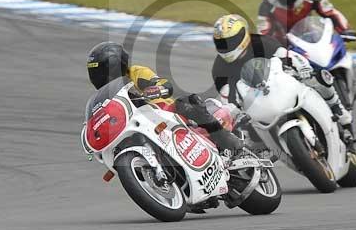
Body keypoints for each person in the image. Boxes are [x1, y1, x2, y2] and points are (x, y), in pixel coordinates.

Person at [86, 41, 241, 154]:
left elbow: (163, 85)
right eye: (95, 73)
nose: (98, 77)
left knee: (186, 103)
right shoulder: (104, 99)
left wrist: (152, 91)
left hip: (165, 113)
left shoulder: (136, 73)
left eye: (101, 71)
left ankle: (227, 140)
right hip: (136, 127)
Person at [211, 14, 354, 136]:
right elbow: (227, 99)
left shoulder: (261, 42)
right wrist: (233, 112)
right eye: (222, 43)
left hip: (280, 83)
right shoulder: (219, 69)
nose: (227, 46)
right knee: (245, 136)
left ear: (244, 35)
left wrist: (303, 67)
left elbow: (290, 56)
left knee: (317, 78)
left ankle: (339, 111)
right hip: (255, 105)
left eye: (231, 41)